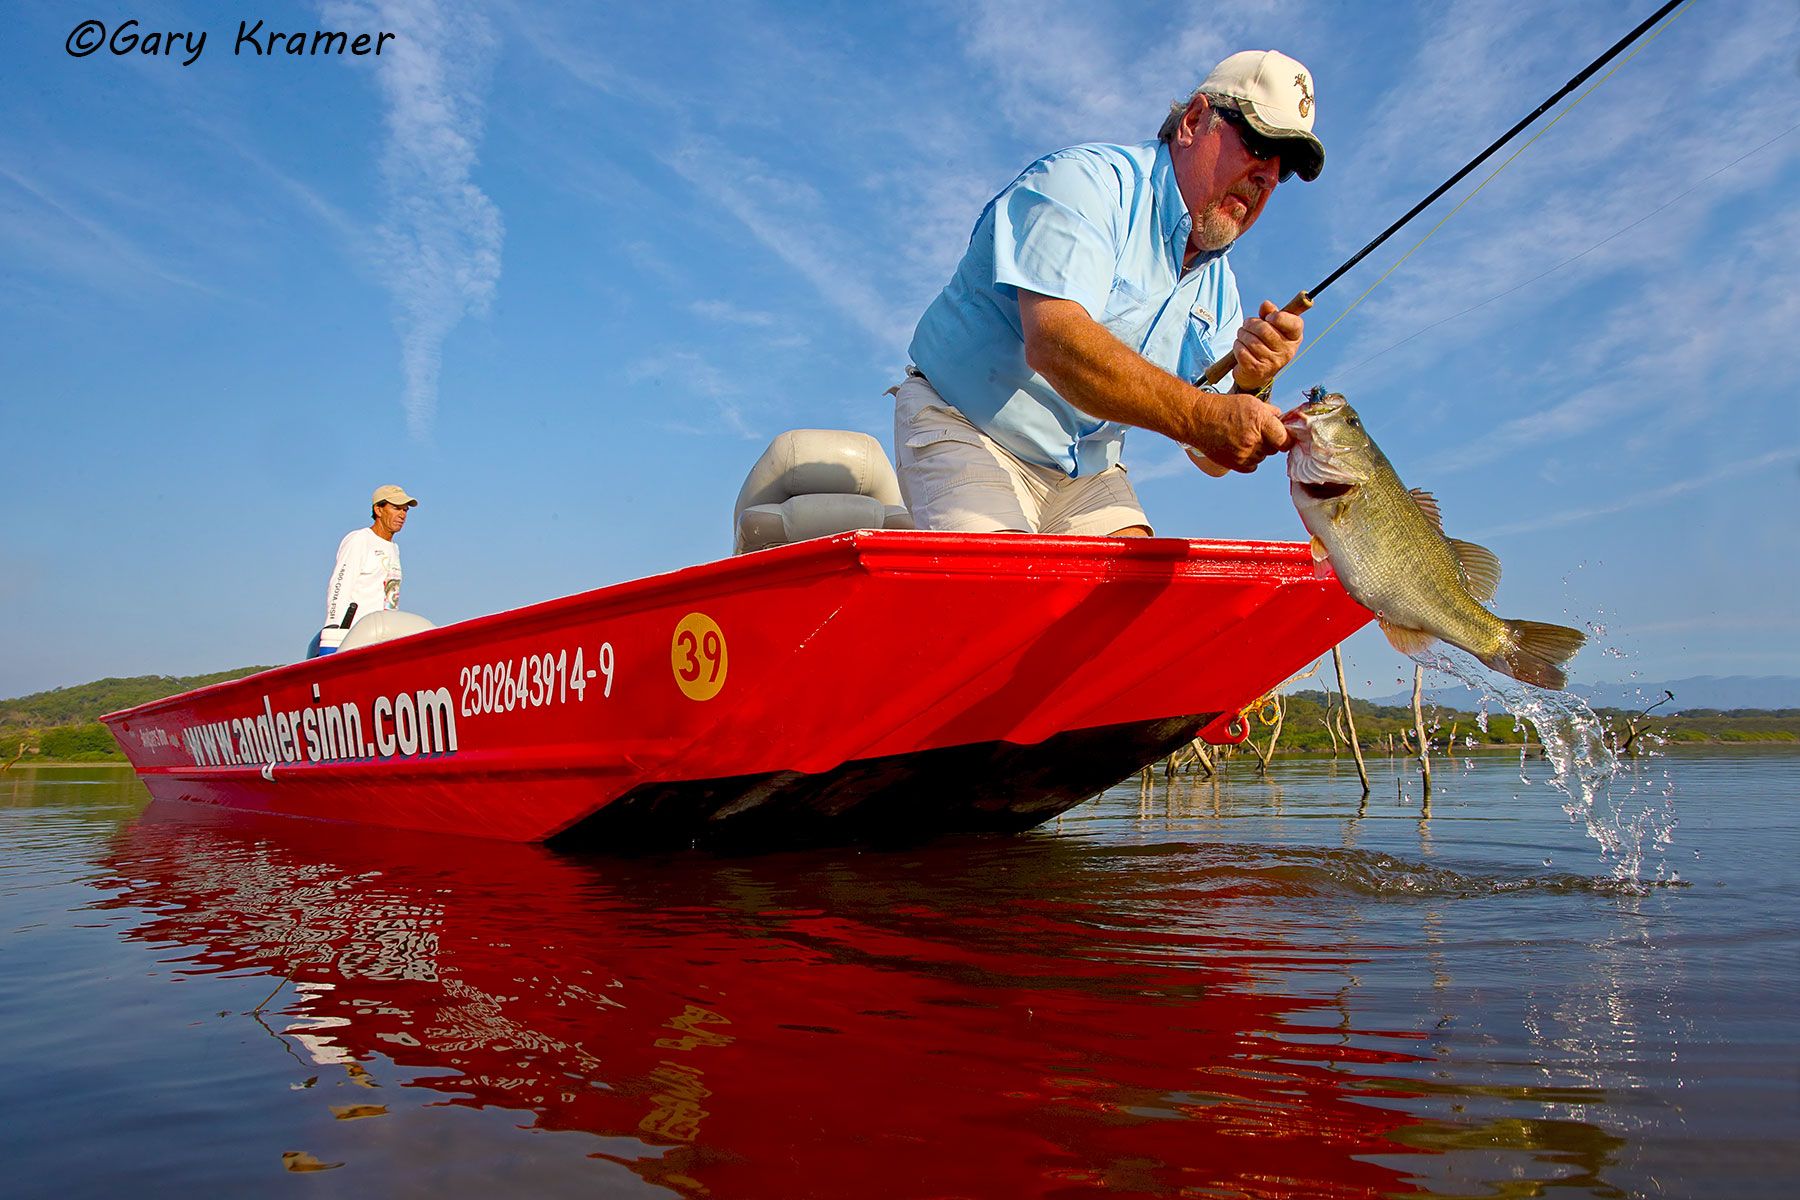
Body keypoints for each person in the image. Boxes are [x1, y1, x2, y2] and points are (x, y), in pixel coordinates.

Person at [895, 49, 1325, 536]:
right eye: (1255, 141)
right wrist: (1206, 414)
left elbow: (1211, 459)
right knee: (1014, 596)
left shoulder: (1218, 283)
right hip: (965, 425)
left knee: (1136, 613)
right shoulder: (1084, 182)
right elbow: (1056, 344)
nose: (1267, 174)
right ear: (1194, 120)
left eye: (1283, 168)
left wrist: (1250, 383)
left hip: (1087, 471)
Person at [310, 484, 418, 657]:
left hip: (380, 638)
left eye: (405, 510)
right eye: (396, 508)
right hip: (351, 637)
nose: (402, 514)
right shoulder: (359, 540)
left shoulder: (394, 549)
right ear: (379, 509)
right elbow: (339, 586)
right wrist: (332, 637)